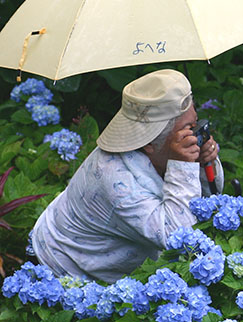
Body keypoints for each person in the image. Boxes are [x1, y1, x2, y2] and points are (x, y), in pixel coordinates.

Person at [30, 69, 224, 283]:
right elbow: (179, 237)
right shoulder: (117, 180)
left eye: (195, 125)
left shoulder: (159, 153)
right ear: (149, 142)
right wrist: (183, 166)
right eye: (188, 130)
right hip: (69, 265)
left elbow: (206, 201)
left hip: (119, 256)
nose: (196, 136)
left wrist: (202, 163)